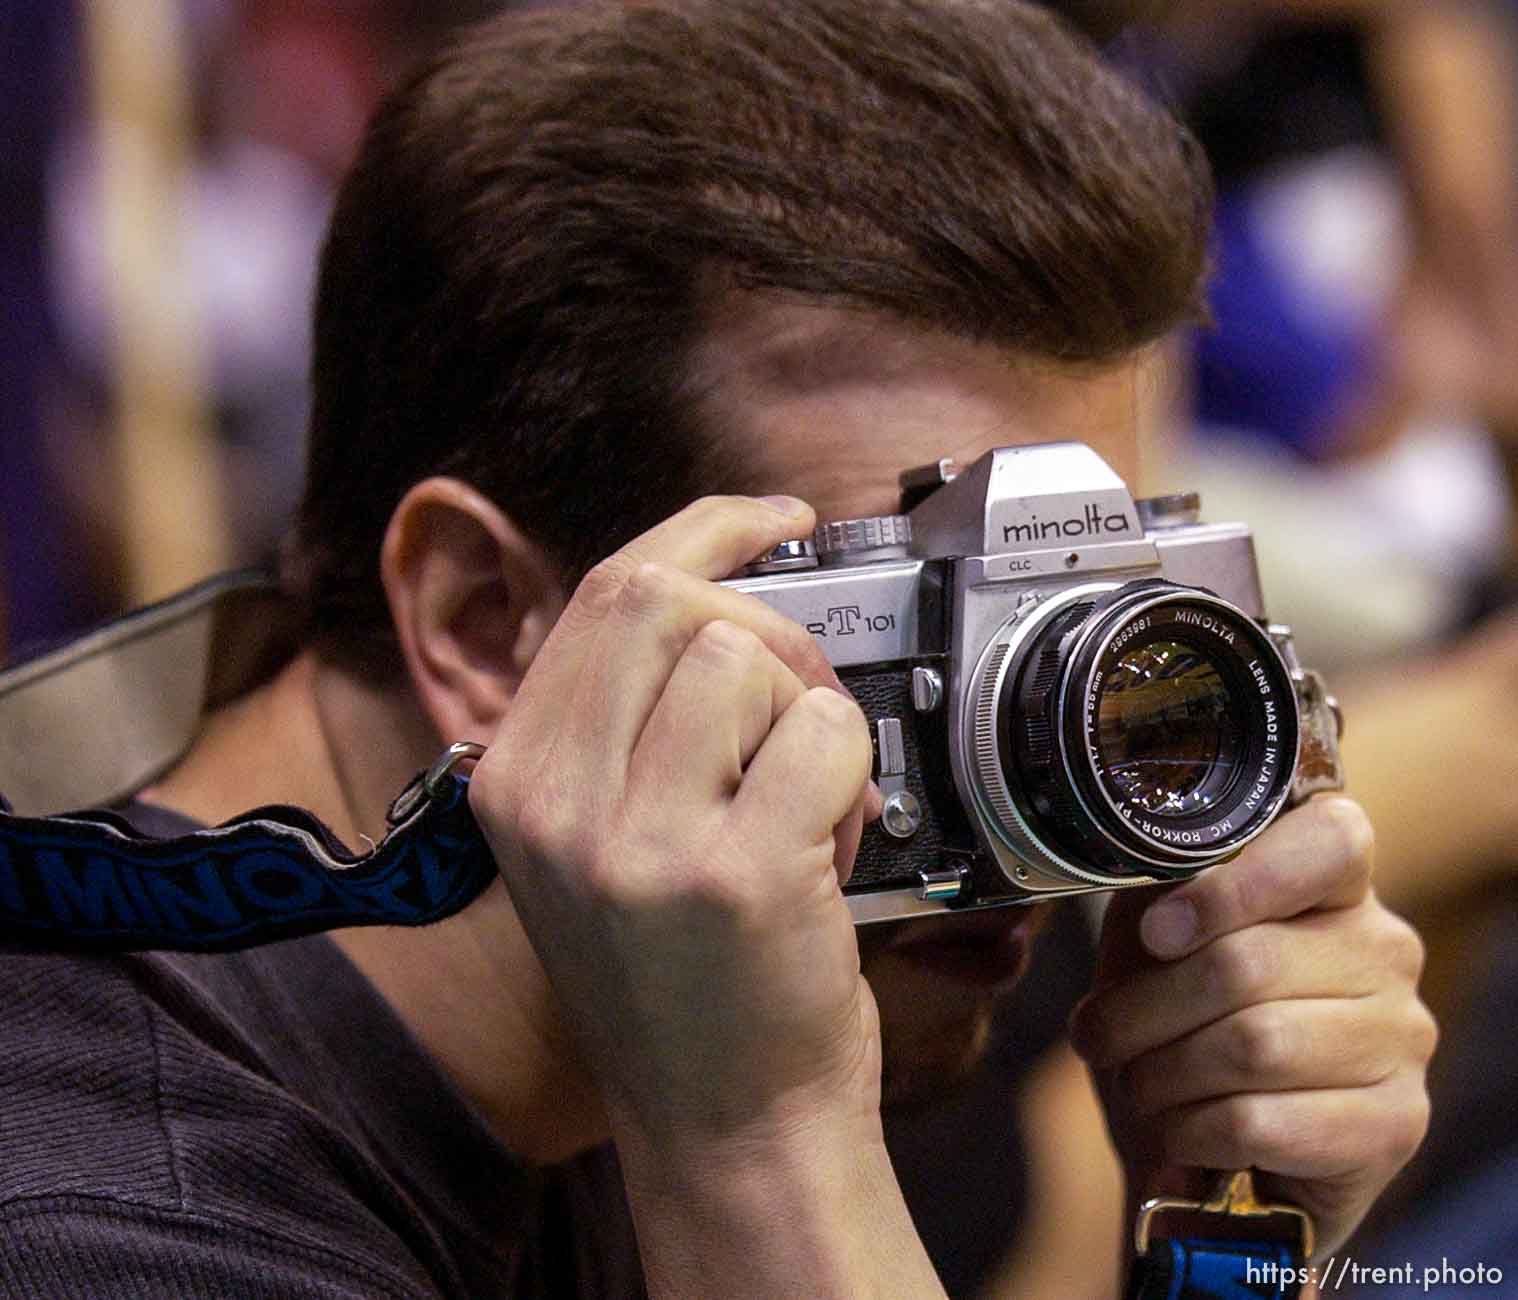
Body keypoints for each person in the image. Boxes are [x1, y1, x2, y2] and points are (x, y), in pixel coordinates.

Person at [0, 2, 1434, 1296]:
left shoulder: (657, 1002)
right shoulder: (111, 1228)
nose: (1042, 763)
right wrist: (755, 1159)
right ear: (483, 621)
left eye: (1073, 606)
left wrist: (1232, 1246)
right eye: (902, 624)